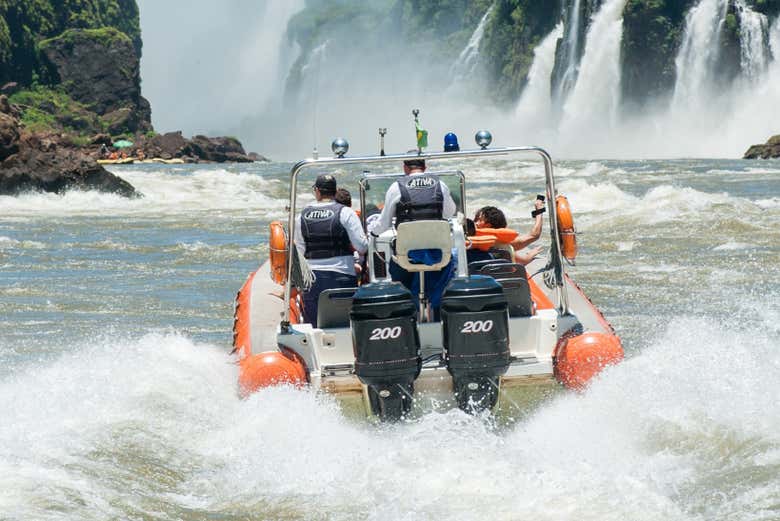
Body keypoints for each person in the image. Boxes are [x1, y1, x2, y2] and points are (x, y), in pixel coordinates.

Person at [294, 174, 367, 326]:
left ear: (317, 192)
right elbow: (362, 246)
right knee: (345, 324)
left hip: (311, 279)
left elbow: (299, 251)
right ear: (334, 192)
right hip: (342, 277)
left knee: (314, 325)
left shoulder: (301, 216)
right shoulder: (346, 213)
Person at [474, 198, 545, 265]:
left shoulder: (468, 238)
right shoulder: (502, 244)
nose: (476, 223)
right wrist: (539, 211)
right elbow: (534, 235)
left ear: (489, 225)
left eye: (480, 220)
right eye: (476, 219)